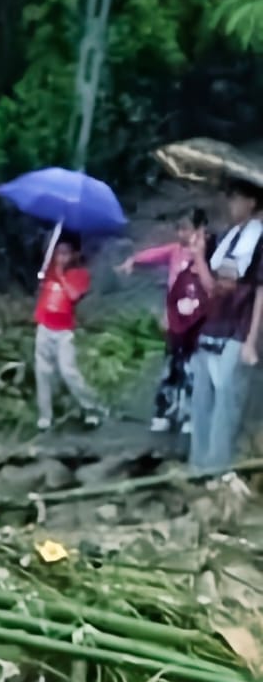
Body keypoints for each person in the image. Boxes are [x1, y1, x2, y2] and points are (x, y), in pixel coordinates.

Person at [189, 179, 263, 488]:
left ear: (252, 203)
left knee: (226, 401)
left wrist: (251, 340)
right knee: (201, 396)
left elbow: (259, 289)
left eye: (235, 199)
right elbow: (208, 284)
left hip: (239, 326)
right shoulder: (227, 236)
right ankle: (197, 466)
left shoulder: (259, 239)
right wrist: (200, 252)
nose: (230, 204)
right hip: (214, 323)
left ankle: (217, 469)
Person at [116, 209, 214, 434]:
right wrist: (133, 260)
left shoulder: (207, 255)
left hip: (198, 321)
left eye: (186, 228)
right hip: (176, 319)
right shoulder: (175, 252)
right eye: (179, 228)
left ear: (200, 230)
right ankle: (164, 412)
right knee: (171, 368)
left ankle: (189, 414)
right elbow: (152, 255)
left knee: (192, 370)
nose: (181, 233)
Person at [33, 231, 104, 431]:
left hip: (64, 331)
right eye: (58, 253)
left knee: (69, 371)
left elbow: (73, 296)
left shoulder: (80, 275)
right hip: (44, 326)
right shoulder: (48, 269)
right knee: (43, 372)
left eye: (65, 253)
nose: (61, 257)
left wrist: (62, 275)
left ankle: (92, 408)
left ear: (74, 255)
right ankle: (45, 415)